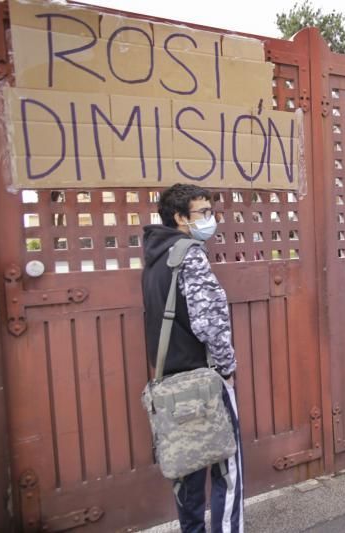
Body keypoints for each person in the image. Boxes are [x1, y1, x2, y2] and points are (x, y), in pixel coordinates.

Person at [142, 184, 244, 532]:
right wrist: (227, 369)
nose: (209, 219)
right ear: (180, 218)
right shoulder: (189, 254)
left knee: (186, 470)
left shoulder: (155, 257)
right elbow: (210, 322)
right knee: (226, 469)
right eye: (202, 213)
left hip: (170, 379)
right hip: (204, 380)